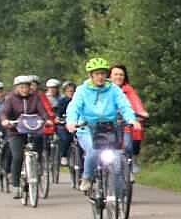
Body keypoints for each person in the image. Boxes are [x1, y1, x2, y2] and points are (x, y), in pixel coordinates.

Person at [67, 57, 138, 193]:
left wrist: (131, 119)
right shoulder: (82, 90)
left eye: (103, 74)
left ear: (106, 75)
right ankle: (87, 177)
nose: (100, 77)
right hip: (87, 127)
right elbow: (74, 107)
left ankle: (118, 195)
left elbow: (124, 105)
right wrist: (71, 122)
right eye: (97, 74)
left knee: (117, 155)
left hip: (109, 128)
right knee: (93, 151)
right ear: (91, 75)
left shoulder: (114, 89)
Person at [0, 76, 51, 197]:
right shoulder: (10, 99)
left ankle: (37, 167)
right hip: (15, 132)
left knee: (39, 150)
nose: (24, 89)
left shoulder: (35, 98)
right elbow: (4, 112)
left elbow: (42, 111)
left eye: (26, 87)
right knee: (17, 156)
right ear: (16, 88)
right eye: (21, 87)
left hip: (33, 131)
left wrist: (47, 120)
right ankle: (16, 185)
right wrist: (5, 120)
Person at [110, 65, 148, 172]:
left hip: (123, 122)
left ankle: (129, 164)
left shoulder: (128, 89)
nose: (119, 77)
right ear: (110, 76)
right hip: (106, 124)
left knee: (129, 144)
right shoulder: (105, 89)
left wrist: (141, 112)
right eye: (116, 74)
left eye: (121, 74)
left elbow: (135, 102)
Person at [55, 80, 76, 165]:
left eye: (73, 91)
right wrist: (59, 119)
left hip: (76, 124)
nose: (71, 93)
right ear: (65, 92)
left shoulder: (78, 101)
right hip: (63, 125)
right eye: (69, 91)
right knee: (65, 138)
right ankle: (64, 155)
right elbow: (58, 114)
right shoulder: (62, 101)